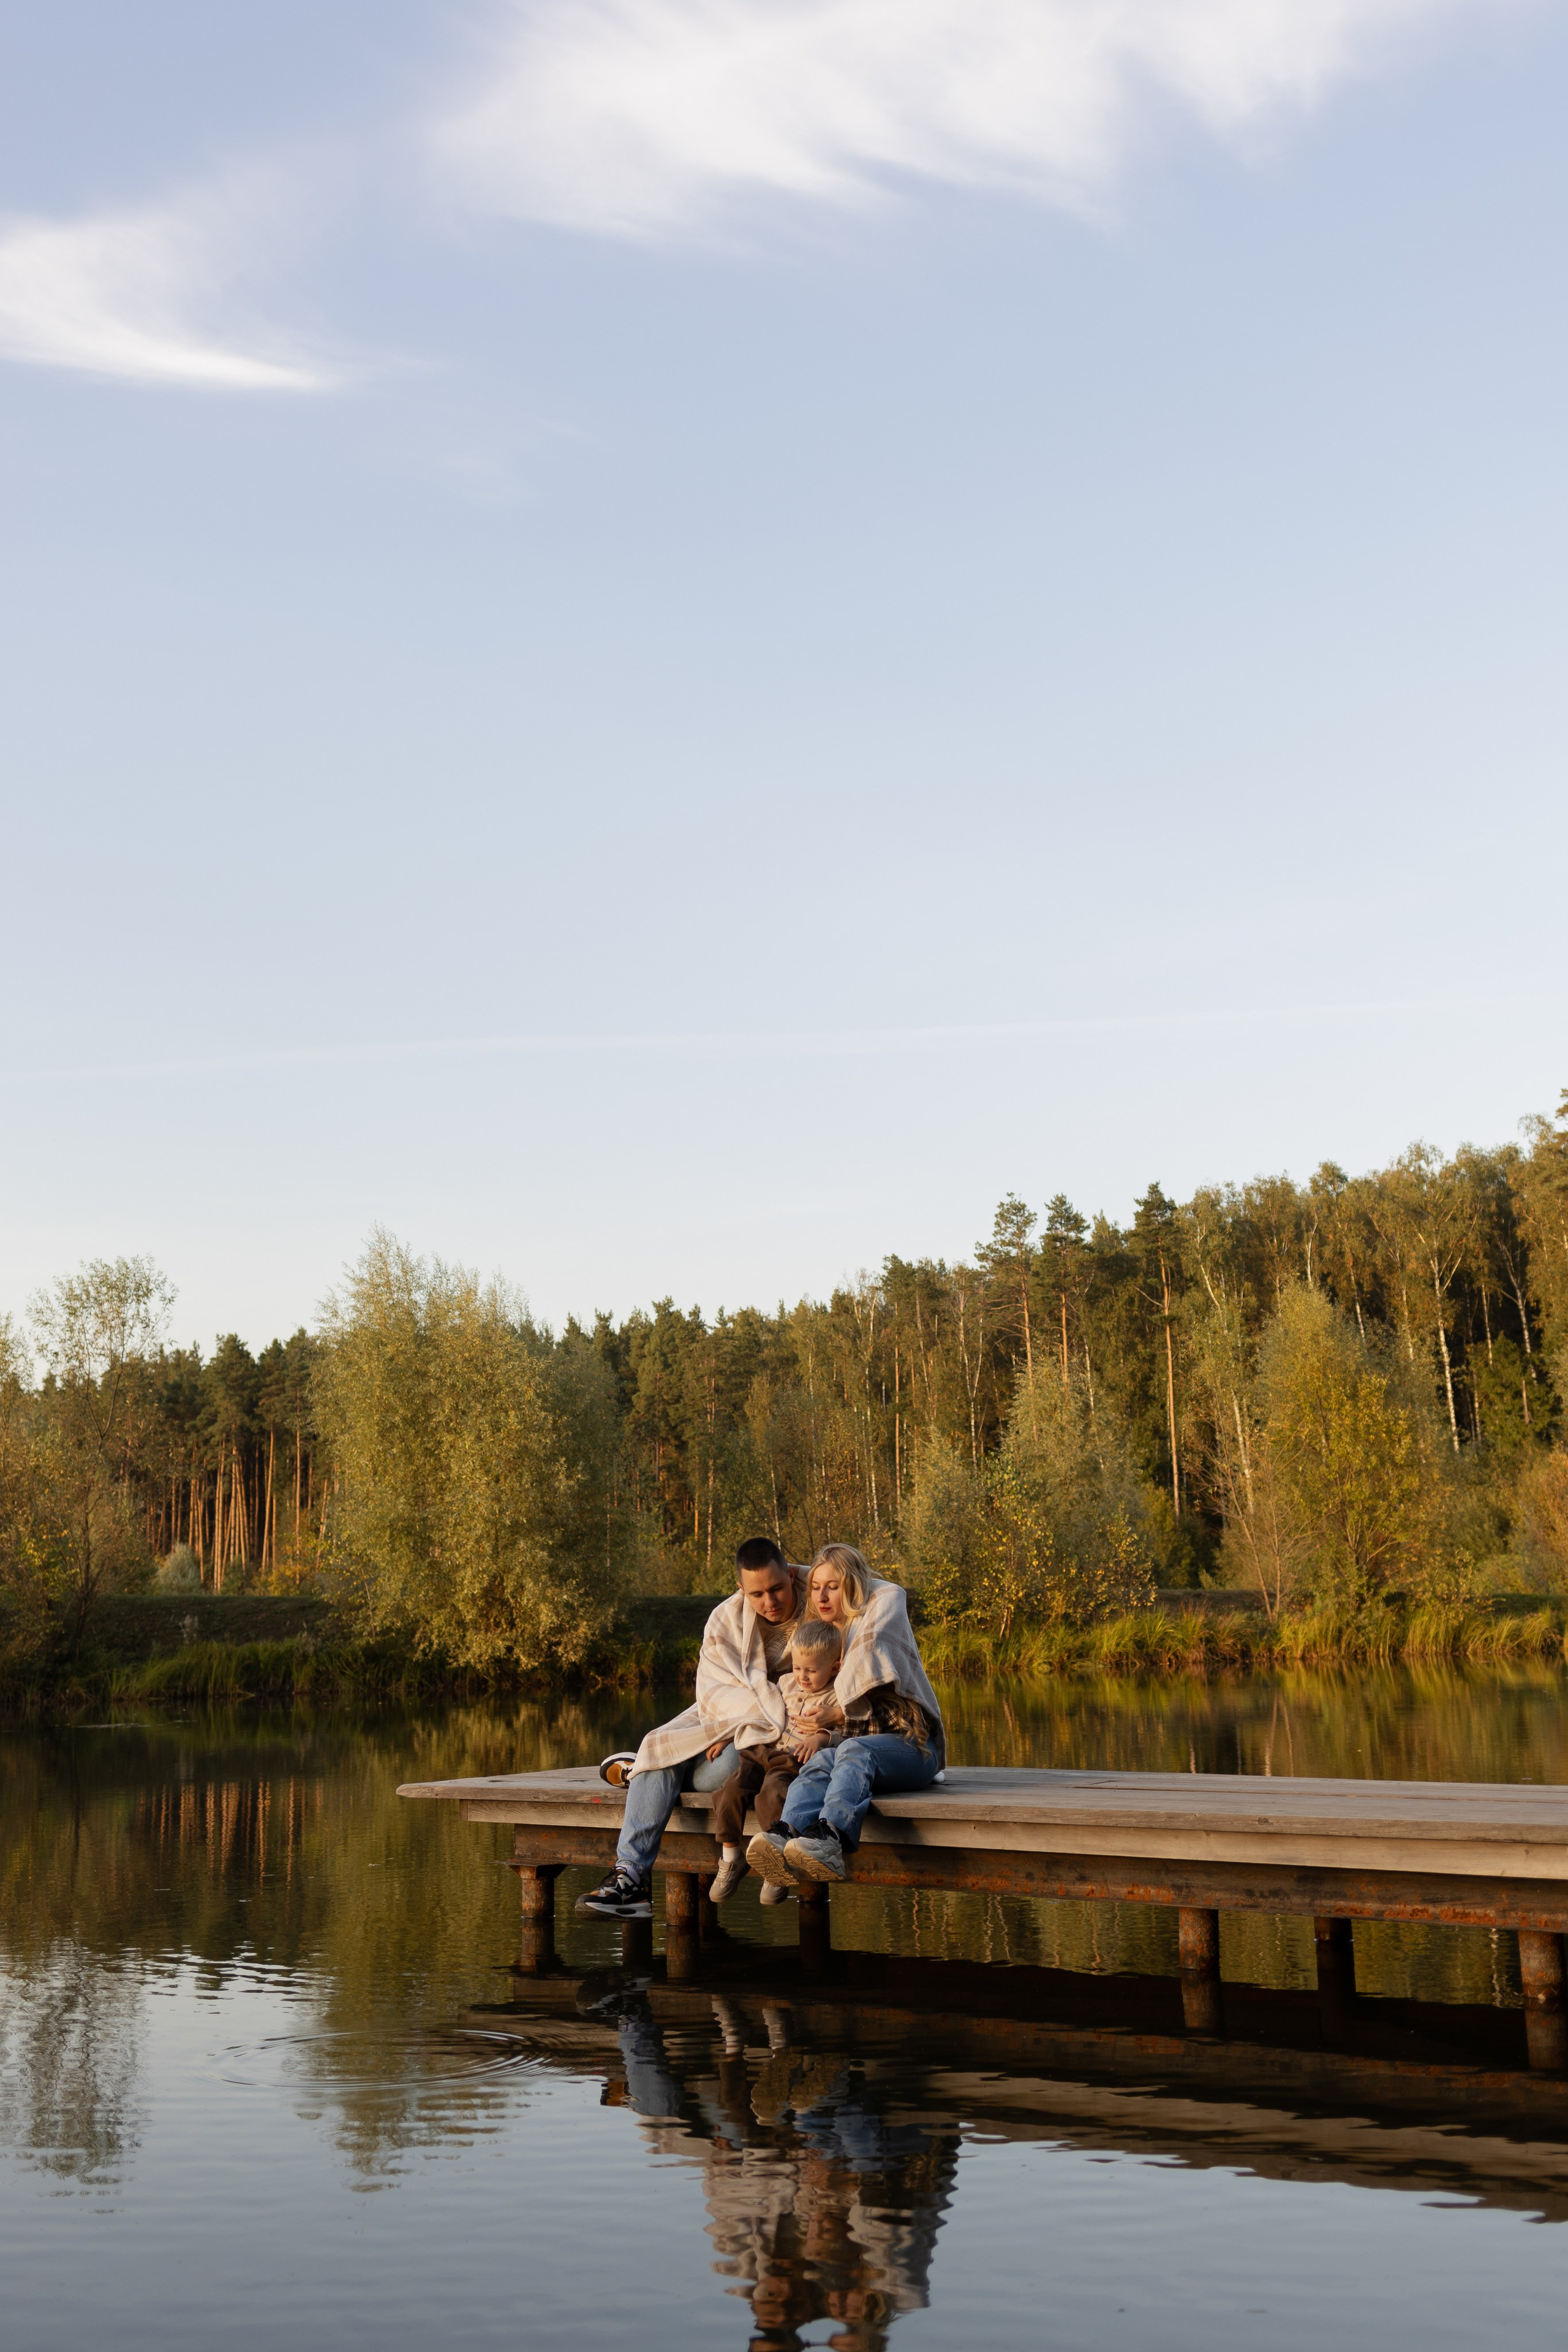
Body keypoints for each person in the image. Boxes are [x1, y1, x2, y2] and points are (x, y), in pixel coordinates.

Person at [576, 1535, 807, 1920]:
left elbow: (872, 1594)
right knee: (661, 1744)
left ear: (791, 1572)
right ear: (741, 1590)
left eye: (777, 1588)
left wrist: (737, 1729)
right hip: (724, 1719)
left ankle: (639, 1771)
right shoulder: (725, 1619)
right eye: (757, 1594)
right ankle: (630, 1877)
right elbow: (714, 1691)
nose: (770, 1602)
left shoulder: (819, 1603)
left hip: (773, 1733)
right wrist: (728, 1725)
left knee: (691, 1768)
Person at [748, 1544, 945, 1890]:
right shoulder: (827, 1640)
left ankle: (832, 1838)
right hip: (863, 1756)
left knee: (855, 1751)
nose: (821, 1596)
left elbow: (895, 1719)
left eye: (833, 1586)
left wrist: (837, 1716)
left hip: (915, 1749)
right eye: (816, 1586)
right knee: (822, 1759)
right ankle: (787, 1832)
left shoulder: (873, 1633)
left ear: (852, 1587)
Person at [707, 1619, 845, 1903]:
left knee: (774, 1791)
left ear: (834, 1668)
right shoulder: (784, 1684)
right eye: (797, 1668)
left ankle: (775, 1866)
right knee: (731, 1788)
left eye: (811, 1671)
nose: (802, 1677)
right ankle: (731, 1856)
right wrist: (728, 1735)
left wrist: (821, 1737)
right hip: (762, 1751)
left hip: (793, 1759)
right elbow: (759, 1712)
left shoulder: (837, 1697)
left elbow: (850, 1734)